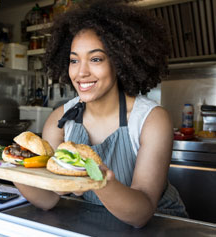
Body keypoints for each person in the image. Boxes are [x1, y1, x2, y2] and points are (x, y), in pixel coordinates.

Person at [14, 0, 187, 227]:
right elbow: (48, 198)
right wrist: (13, 168)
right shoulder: (60, 120)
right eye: (74, 60)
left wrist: (99, 179)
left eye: (96, 59)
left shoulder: (150, 119)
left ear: (120, 61)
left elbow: (141, 214)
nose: (81, 72)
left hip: (161, 226)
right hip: (97, 223)